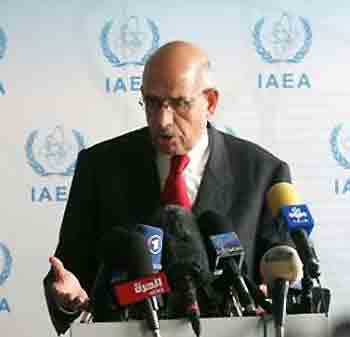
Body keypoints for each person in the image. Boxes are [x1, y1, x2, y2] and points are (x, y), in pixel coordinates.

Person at [44, 40, 291, 334]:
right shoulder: (99, 167)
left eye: (178, 103)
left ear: (210, 102)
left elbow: (280, 275)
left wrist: (274, 291)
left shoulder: (263, 172)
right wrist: (66, 299)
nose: (162, 121)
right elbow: (69, 273)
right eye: (152, 102)